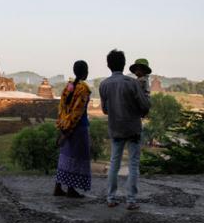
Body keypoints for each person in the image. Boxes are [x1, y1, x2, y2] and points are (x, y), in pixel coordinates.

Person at [100, 50, 150, 210]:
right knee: (133, 164)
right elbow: (145, 105)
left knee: (114, 162)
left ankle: (110, 197)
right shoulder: (132, 83)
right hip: (133, 127)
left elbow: (105, 110)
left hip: (116, 127)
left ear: (108, 65)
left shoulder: (104, 84)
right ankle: (131, 200)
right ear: (124, 64)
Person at [54, 60, 92, 198]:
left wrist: (62, 127)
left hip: (65, 125)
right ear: (85, 72)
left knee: (65, 157)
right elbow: (78, 112)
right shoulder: (84, 89)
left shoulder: (69, 86)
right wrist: (69, 130)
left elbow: (62, 107)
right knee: (76, 158)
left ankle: (58, 187)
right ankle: (71, 189)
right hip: (78, 128)